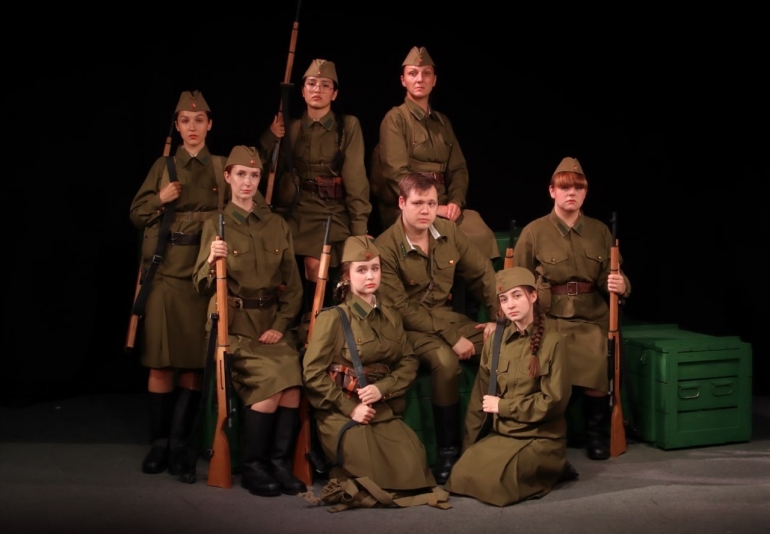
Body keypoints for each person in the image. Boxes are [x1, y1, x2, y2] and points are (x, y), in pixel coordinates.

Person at [302, 236, 448, 510]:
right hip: (342, 414)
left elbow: (408, 360)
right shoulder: (334, 318)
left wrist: (384, 387)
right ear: (346, 276)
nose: (370, 276)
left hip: (381, 409)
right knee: (373, 478)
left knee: (413, 466)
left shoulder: (390, 315)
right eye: (361, 269)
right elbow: (312, 374)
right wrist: (350, 409)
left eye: (375, 268)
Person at [193, 146, 306, 497]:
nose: (247, 182)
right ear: (227, 177)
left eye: (254, 175)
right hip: (235, 331)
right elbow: (199, 284)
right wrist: (210, 261)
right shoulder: (216, 225)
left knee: (293, 380)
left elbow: (294, 288)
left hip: (271, 326)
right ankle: (254, 465)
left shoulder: (277, 225)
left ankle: (278, 464)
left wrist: (280, 325)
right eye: (241, 174)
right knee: (273, 379)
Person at [373, 172, 499, 485]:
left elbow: (482, 272)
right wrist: (452, 337)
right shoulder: (385, 247)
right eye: (418, 203)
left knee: (503, 343)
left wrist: (500, 318)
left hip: (444, 318)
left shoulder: (448, 231)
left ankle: (497, 435)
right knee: (445, 361)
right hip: (406, 328)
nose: (426, 210)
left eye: (431, 203)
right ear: (402, 203)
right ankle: (448, 451)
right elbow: (401, 310)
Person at [129, 90, 227, 477]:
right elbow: (137, 214)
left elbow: (244, 200)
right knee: (160, 362)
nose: (192, 127)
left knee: (192, 365)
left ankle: (181, 444)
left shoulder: (220, 166)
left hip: (202, 276)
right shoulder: (164, 166)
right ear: (177, 126)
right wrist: (160, 198)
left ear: (210, 125)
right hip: (166, 273)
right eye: (185, 121)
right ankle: (159, 443)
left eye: (199, 120)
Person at [514, 156, 631, 460]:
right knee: (549, 363)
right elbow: (519, 280)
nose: (572, 193)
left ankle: (596, 434)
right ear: (552, 191)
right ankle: (553, 435)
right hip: (549, 316)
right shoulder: (534, 232)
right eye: (565, 188)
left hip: (591, 317)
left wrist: (621, 284)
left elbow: (610, 274)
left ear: (585, 193)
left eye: (578, 188)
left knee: (599, 356)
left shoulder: (599, 231)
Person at [444, 267, 571, 506]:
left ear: (533, 296)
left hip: (539, 438)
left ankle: (553, 468)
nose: (510, 305)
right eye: (503, 299)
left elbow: (553, 402)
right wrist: (469, 450)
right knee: (460, 476)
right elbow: (478, 401)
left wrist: (503, 407)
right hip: (503, 435)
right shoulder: (496, 341)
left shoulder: (553, 342)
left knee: (496, 486)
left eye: (517, 296)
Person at [261, 59, 371, 322]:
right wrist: (271, 136)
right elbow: (264, 169)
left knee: (316, 265)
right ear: (302, 91)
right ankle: (292, 324)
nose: (317, 89)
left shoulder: (348, 126)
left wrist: (360, 228)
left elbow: (356, 179)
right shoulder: (291, 127)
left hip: (330, 211)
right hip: (294, 210)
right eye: (311, 83)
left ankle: (318, 325)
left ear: (334, 93)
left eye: (325, 85)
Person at [373, 46, 499, 262]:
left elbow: (458, 169)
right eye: (413, 73)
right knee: (442, 240)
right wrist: (429, 206)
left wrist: (455, 202)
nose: (419, 79)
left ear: (434, 80)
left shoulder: (442, 122)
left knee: (480, 234)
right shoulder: (395, 119)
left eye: (426, 73)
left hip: (444, 205)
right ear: (403, 80)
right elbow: (396, 173)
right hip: (411, 207)